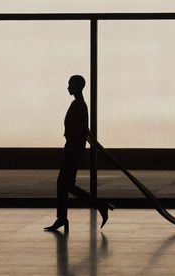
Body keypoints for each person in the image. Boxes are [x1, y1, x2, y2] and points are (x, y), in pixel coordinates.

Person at [44, 75, 114, 232]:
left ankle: (64, 218)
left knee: (64, 184)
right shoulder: (79, 105)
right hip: (72, 149)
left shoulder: (79, 105)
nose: (67, 87)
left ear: (77, 87)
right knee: (67, 185)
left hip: (73, 151)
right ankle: (98, 207)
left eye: (70, 84)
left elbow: (80, 131)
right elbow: (83, 130)